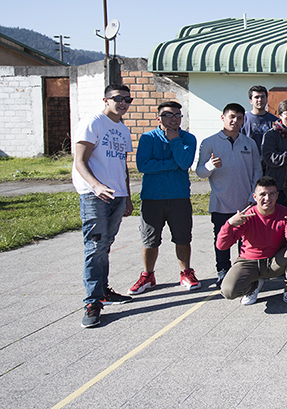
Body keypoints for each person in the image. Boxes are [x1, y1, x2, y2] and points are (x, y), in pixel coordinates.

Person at [73, 83, 135, 328]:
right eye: (117, 98)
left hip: (117, 196)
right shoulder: (93, 123)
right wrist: (96, 186)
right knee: (95, 247)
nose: (123, 103)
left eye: (127, 100)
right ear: (105, 99)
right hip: (95, 196)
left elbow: (122, 167)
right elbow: (79, 161)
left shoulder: (122, 129)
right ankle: (92, 301)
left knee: (105, 246)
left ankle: (103, 291)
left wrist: (127, 197)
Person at [131, 101, 199, 295]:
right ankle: (148, 275)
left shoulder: (188, 138)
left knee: (183, 237)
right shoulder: (147, 138)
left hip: (179, 197)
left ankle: (186, 272)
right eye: (169, 115)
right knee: (150, 239)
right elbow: (144, 166)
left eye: (178, 115)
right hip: (153, 197)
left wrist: (175, 140)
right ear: (158, 118)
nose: (174, 118)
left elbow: (185, 162)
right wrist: (173, 163)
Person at [195, 103, 261, 286]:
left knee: (246, 239)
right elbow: (199, 171)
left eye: (240, 118)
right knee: (221, 239)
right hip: (221, 201)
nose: (235, 121)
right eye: (232, 117)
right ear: (223, 118)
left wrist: (253, 196)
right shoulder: (209, 142)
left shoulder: (249, 143)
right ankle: (222, 270)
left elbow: (257, 170)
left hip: (245, 202)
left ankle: (243, 271)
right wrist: (210, 166)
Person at [217, 176, 287, 309]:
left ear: (277, 195)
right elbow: (221, 245)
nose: (267, 198)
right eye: (262, 194)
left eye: (271, 194)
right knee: (228, 291)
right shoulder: (246, 216)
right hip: (249, 262)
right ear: (254, 196)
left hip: (273, 261)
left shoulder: (285, 213)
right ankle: (253, 286)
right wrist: (229, 224)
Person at [240, 85, 278, 154]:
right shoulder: (243, 119)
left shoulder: (275, 121)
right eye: (256, 97)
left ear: (266, 99)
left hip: (268, 161)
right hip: (248, 160)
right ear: (251, 101)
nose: (260, 100)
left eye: (262, 97)